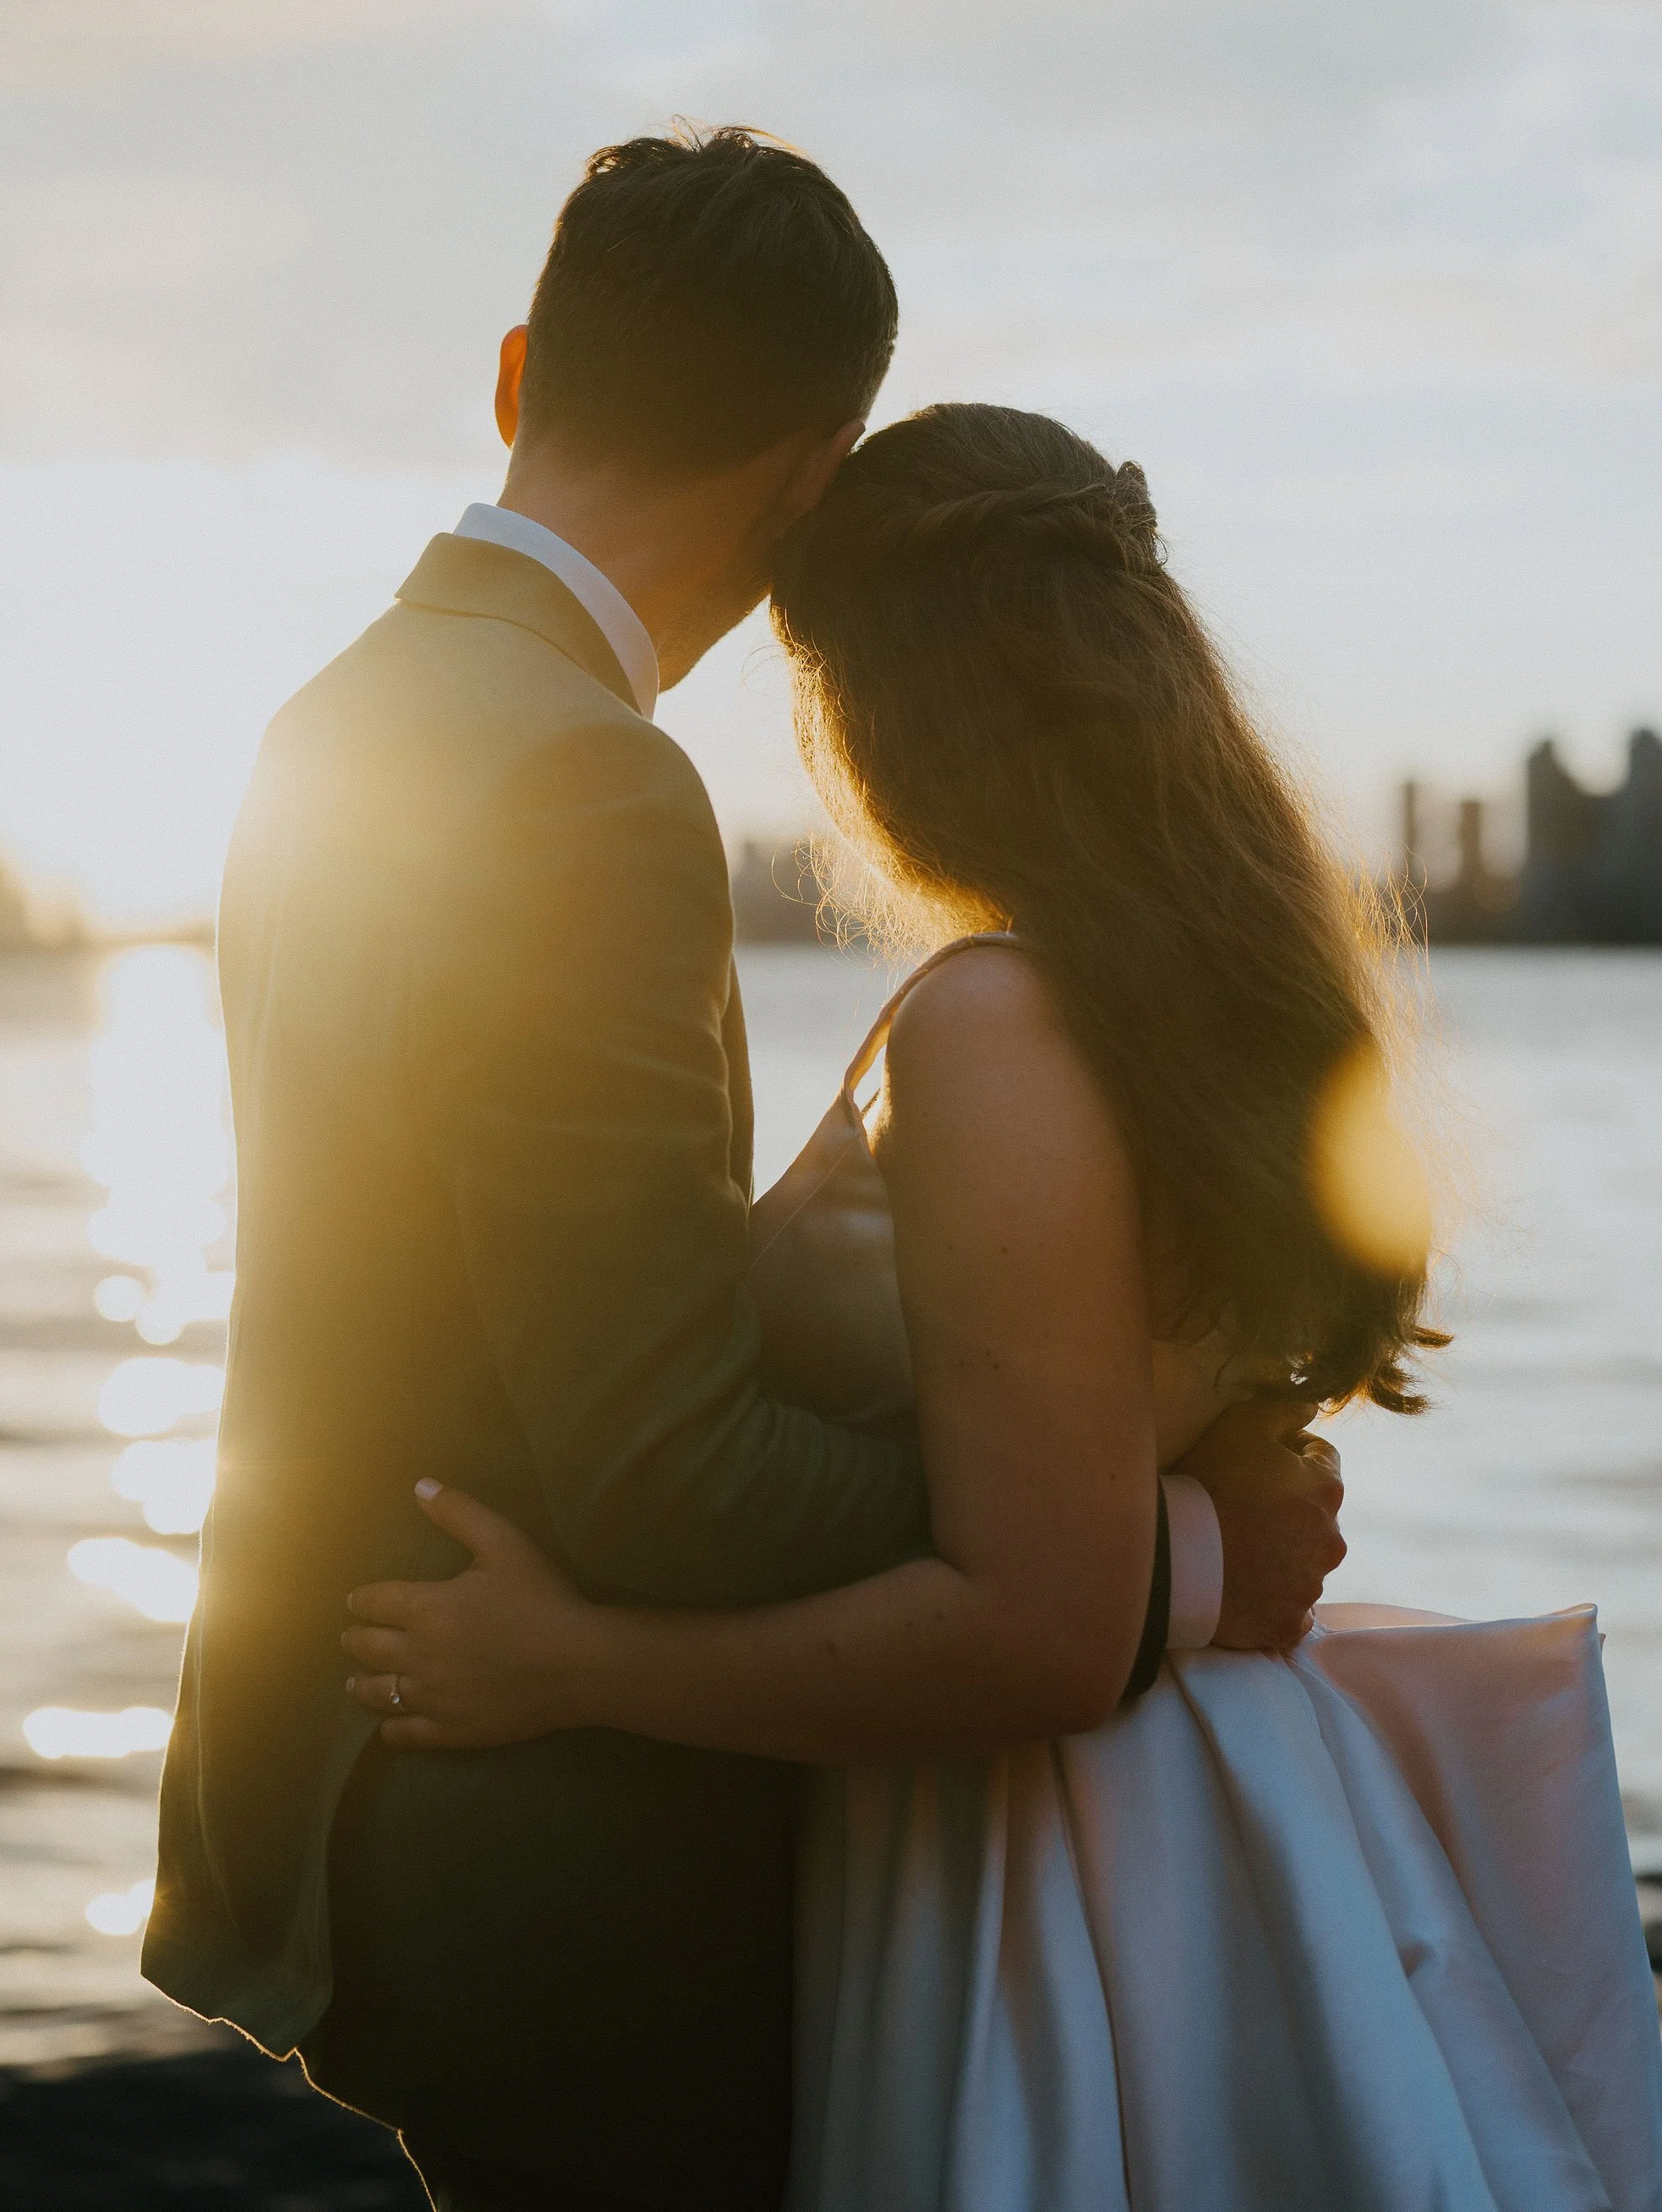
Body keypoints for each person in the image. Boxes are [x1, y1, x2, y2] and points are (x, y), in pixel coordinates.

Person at [143, 135, 1341, 2212]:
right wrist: (1154, 1552)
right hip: (544, 1834)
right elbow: (665, 1470)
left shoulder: (333, 722)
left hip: (362, 1792)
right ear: (810, 478)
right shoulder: (583, 776)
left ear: (519, 373)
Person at [342, 405, 1662, 2210]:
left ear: (879, 711)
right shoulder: (1185, 1000)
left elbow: (1034, 1626)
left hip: (1052, 1846)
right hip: (1176, 1791)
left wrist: (571, 1666)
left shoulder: (993, 1024)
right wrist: (1194, 1545)